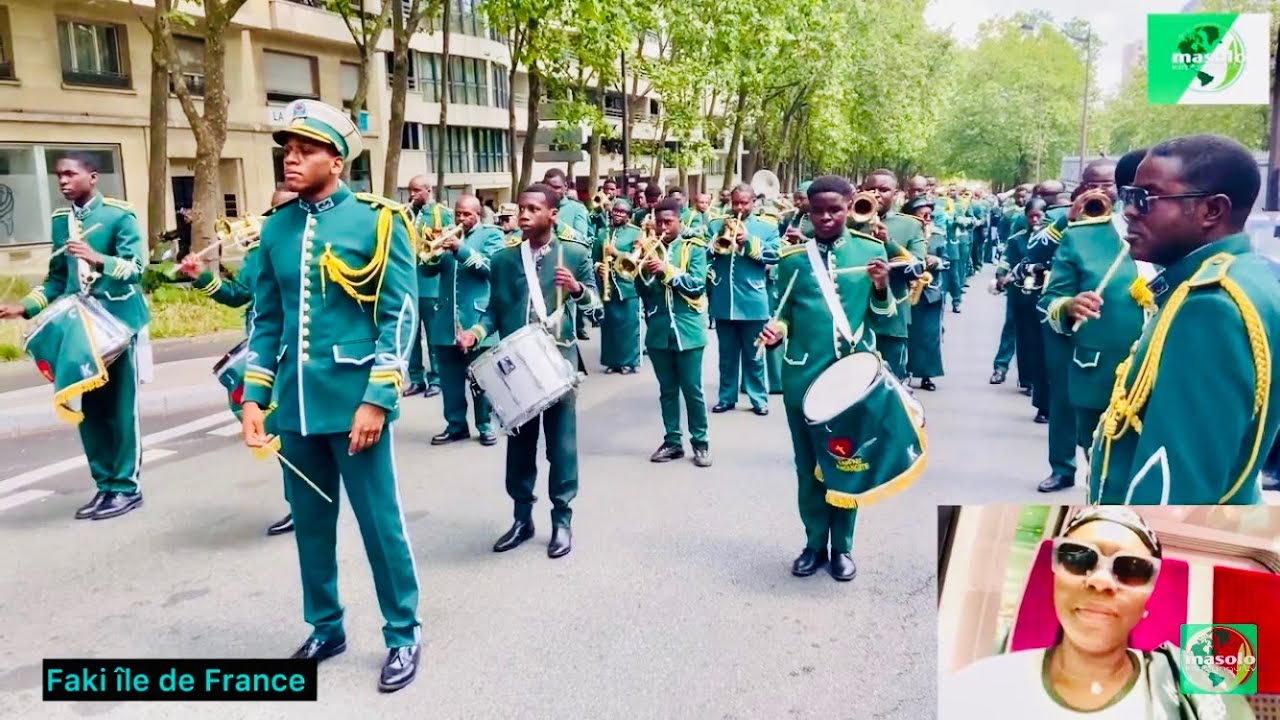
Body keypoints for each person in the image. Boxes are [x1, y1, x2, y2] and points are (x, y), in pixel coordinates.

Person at [237, 100, 422, 691]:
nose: (291, 159)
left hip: (354, 403)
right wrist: (252, 400)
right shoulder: (277, 227)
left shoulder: (378, 220)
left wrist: (377, 398)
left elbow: (398, 316)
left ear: (336, 160)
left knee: (379, 524)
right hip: (296, 405)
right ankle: (326, 625)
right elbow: (266, 320)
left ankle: (402, 632)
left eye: (306, 150)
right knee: (312, 525)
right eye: (286, 150)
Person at [1090, 134, 1280, 505]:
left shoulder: (1210, 305)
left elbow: (1175, 486)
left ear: (1212, 211)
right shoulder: (1245, 275)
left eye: (1147, 198)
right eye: (1129, 196)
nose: (1129, 211)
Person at [941, 507, 1256, 719]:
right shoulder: (978, 689)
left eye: (1131, 568)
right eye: (1078, 558)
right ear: (1055, 578)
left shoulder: (1204, 690)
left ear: (1148, 598)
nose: (1101, 581)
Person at [758, 176, 897, 582]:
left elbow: (885, 318)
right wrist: (776, 331)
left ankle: (844, 548)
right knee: (808, 468)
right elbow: (783, 313)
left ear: (850, 205)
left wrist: (883, 287)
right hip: (803, 378)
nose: (825, 217)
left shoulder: (871, 251)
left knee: (847, 466)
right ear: (807, 209)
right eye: (817, 210)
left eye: (834, 209)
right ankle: (814, 543)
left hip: (851, 383)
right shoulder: (792, 260)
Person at [0, 153, 149, 521]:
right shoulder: (60, 221)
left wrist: (98, 258)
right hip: (80, 329)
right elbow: (56, 279)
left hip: (118, 325)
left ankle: (127, 488)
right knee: (92, 411)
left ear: (93, 177)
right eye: (58, 176)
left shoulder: (119, 215)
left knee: (120, 410)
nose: (63, 181)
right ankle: (105, 486)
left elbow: (136, 270)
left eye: (70, 174)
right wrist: (26, 306)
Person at [458, 184, 600, 558]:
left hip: (558, 363)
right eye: (521, 208)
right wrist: (475, 333)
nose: (523, 215)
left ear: (553, 214)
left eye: (533, 209)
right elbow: (492, 311)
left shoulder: (574, 252)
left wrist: (578, 290)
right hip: (516, 367)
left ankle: (562, 521)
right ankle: (522, 518)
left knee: (561, 448)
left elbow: (598, 308)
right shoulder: (505, 260)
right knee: (519, 447)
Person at [181, 187, 298, 536]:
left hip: (303, 355)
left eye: (288, 208)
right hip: (266, 355)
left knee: (302, 434)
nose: (280, 217)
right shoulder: (259, 253)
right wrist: (200, 276)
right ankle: (301, 507)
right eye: (274, 211)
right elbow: (237, 296)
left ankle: (317, 502)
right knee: (282, 432)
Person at [1040, 154, 1149, 482]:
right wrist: (1070, 305)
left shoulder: (1185, 241)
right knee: (1103, 468)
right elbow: (1050, 300)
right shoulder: (1083, 235)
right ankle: (1063, 469)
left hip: (1161, 375)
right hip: (1097, 367)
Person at [422, 194, 504, 447]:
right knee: (449, 378)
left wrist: (461, 249)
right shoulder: (446, 235)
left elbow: (490, 269)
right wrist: (433, 251)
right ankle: (456, 425)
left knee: (481, 378)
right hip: (445, 319)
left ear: (478, 214)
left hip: (477, 318)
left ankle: (485, 425)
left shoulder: (492, 235)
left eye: (467, 214)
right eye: (458, 213)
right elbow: (426, 270)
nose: (461, 218)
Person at [638, 198, 712, 467]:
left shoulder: (693, 248)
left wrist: (666, 270)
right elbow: (643, 292)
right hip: (658, 331)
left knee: (692, 390)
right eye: (658, 222)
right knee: (667, 390)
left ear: (679, 221)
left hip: (688, 330)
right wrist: (643, 270)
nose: (662, 227)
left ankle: (701, 443)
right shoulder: (649, 247)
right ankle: (672, 441)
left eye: (668, 222)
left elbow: (697, 285)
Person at [705, 183, 780, 416]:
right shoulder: (716, 224)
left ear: (753, 203)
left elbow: (775, 255)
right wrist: (718, 240)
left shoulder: (766, 227)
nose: (739, 207)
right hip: (723, 301)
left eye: (744, 203)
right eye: (735, 203)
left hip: (753, 301)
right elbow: (704, 253)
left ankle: (759, 399)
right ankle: (726, 398)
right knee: (727, 357)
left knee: (755, 356)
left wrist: (747, 241)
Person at [856, 169, 928, 379]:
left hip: (891, 318)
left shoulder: (910, 225)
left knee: (890, 382)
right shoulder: (847, 222)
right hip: (853, 316)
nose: (877, 194)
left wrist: (889, 243)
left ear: (896, 194)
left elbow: (917, 269)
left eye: (884, 190)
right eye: (871, 189)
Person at [997, 200, 1050, 423]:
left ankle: (1035, 385)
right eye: (1032, 216)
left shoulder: (1053, 237)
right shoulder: (1017, 238)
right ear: (1026, 217)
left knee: (1040, 342)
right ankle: (1004, 369)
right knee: (1017, 332)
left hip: (1045, 294)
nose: (1036, 220)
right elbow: (1007, 260)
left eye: (1039, 216)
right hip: (1020, 292)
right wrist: (1001, 276)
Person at [403, 175, 447, 399]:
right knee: (411, 337)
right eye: (410, 190)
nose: (412, 195)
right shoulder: (405, 214)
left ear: (428, 190)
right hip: (408, 285)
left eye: (417, 190)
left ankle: (437, 379)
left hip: (432, 286)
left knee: (432, 337)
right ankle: (416, 379)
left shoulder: (441, 213)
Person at [904, 197, 948, 391]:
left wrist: (935, 261)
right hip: (905, 290)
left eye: (929, 215)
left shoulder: (938, 235)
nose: (926, 218)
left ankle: (927, 375)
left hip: (930, 292)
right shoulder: (904, 233)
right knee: (907, 335)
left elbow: (947, 260)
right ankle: (904, 372)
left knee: (929, 336)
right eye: (922, 215)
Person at [594, 198, 643, 374]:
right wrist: (598, 267)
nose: (618, 214)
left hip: (628, 284)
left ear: (628, 216)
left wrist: (616, 253)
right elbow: (594, 258)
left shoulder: (636, 233)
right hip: (608, 286)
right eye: (616, 211)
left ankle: (628, 362)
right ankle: (611, 361)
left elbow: (637, 258)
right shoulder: (601, 233)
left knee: (628, 326)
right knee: (609, 326)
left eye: (622, 212)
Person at [991, 184, 1032, 385]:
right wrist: (1001, 274)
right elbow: (1009, 251)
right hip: (1018, 286)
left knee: (1032, 336)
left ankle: (1028, 378)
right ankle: (1000, 367)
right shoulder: (1019, 222)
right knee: (1011, 327)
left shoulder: (1054, 227)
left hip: (1041, 289)